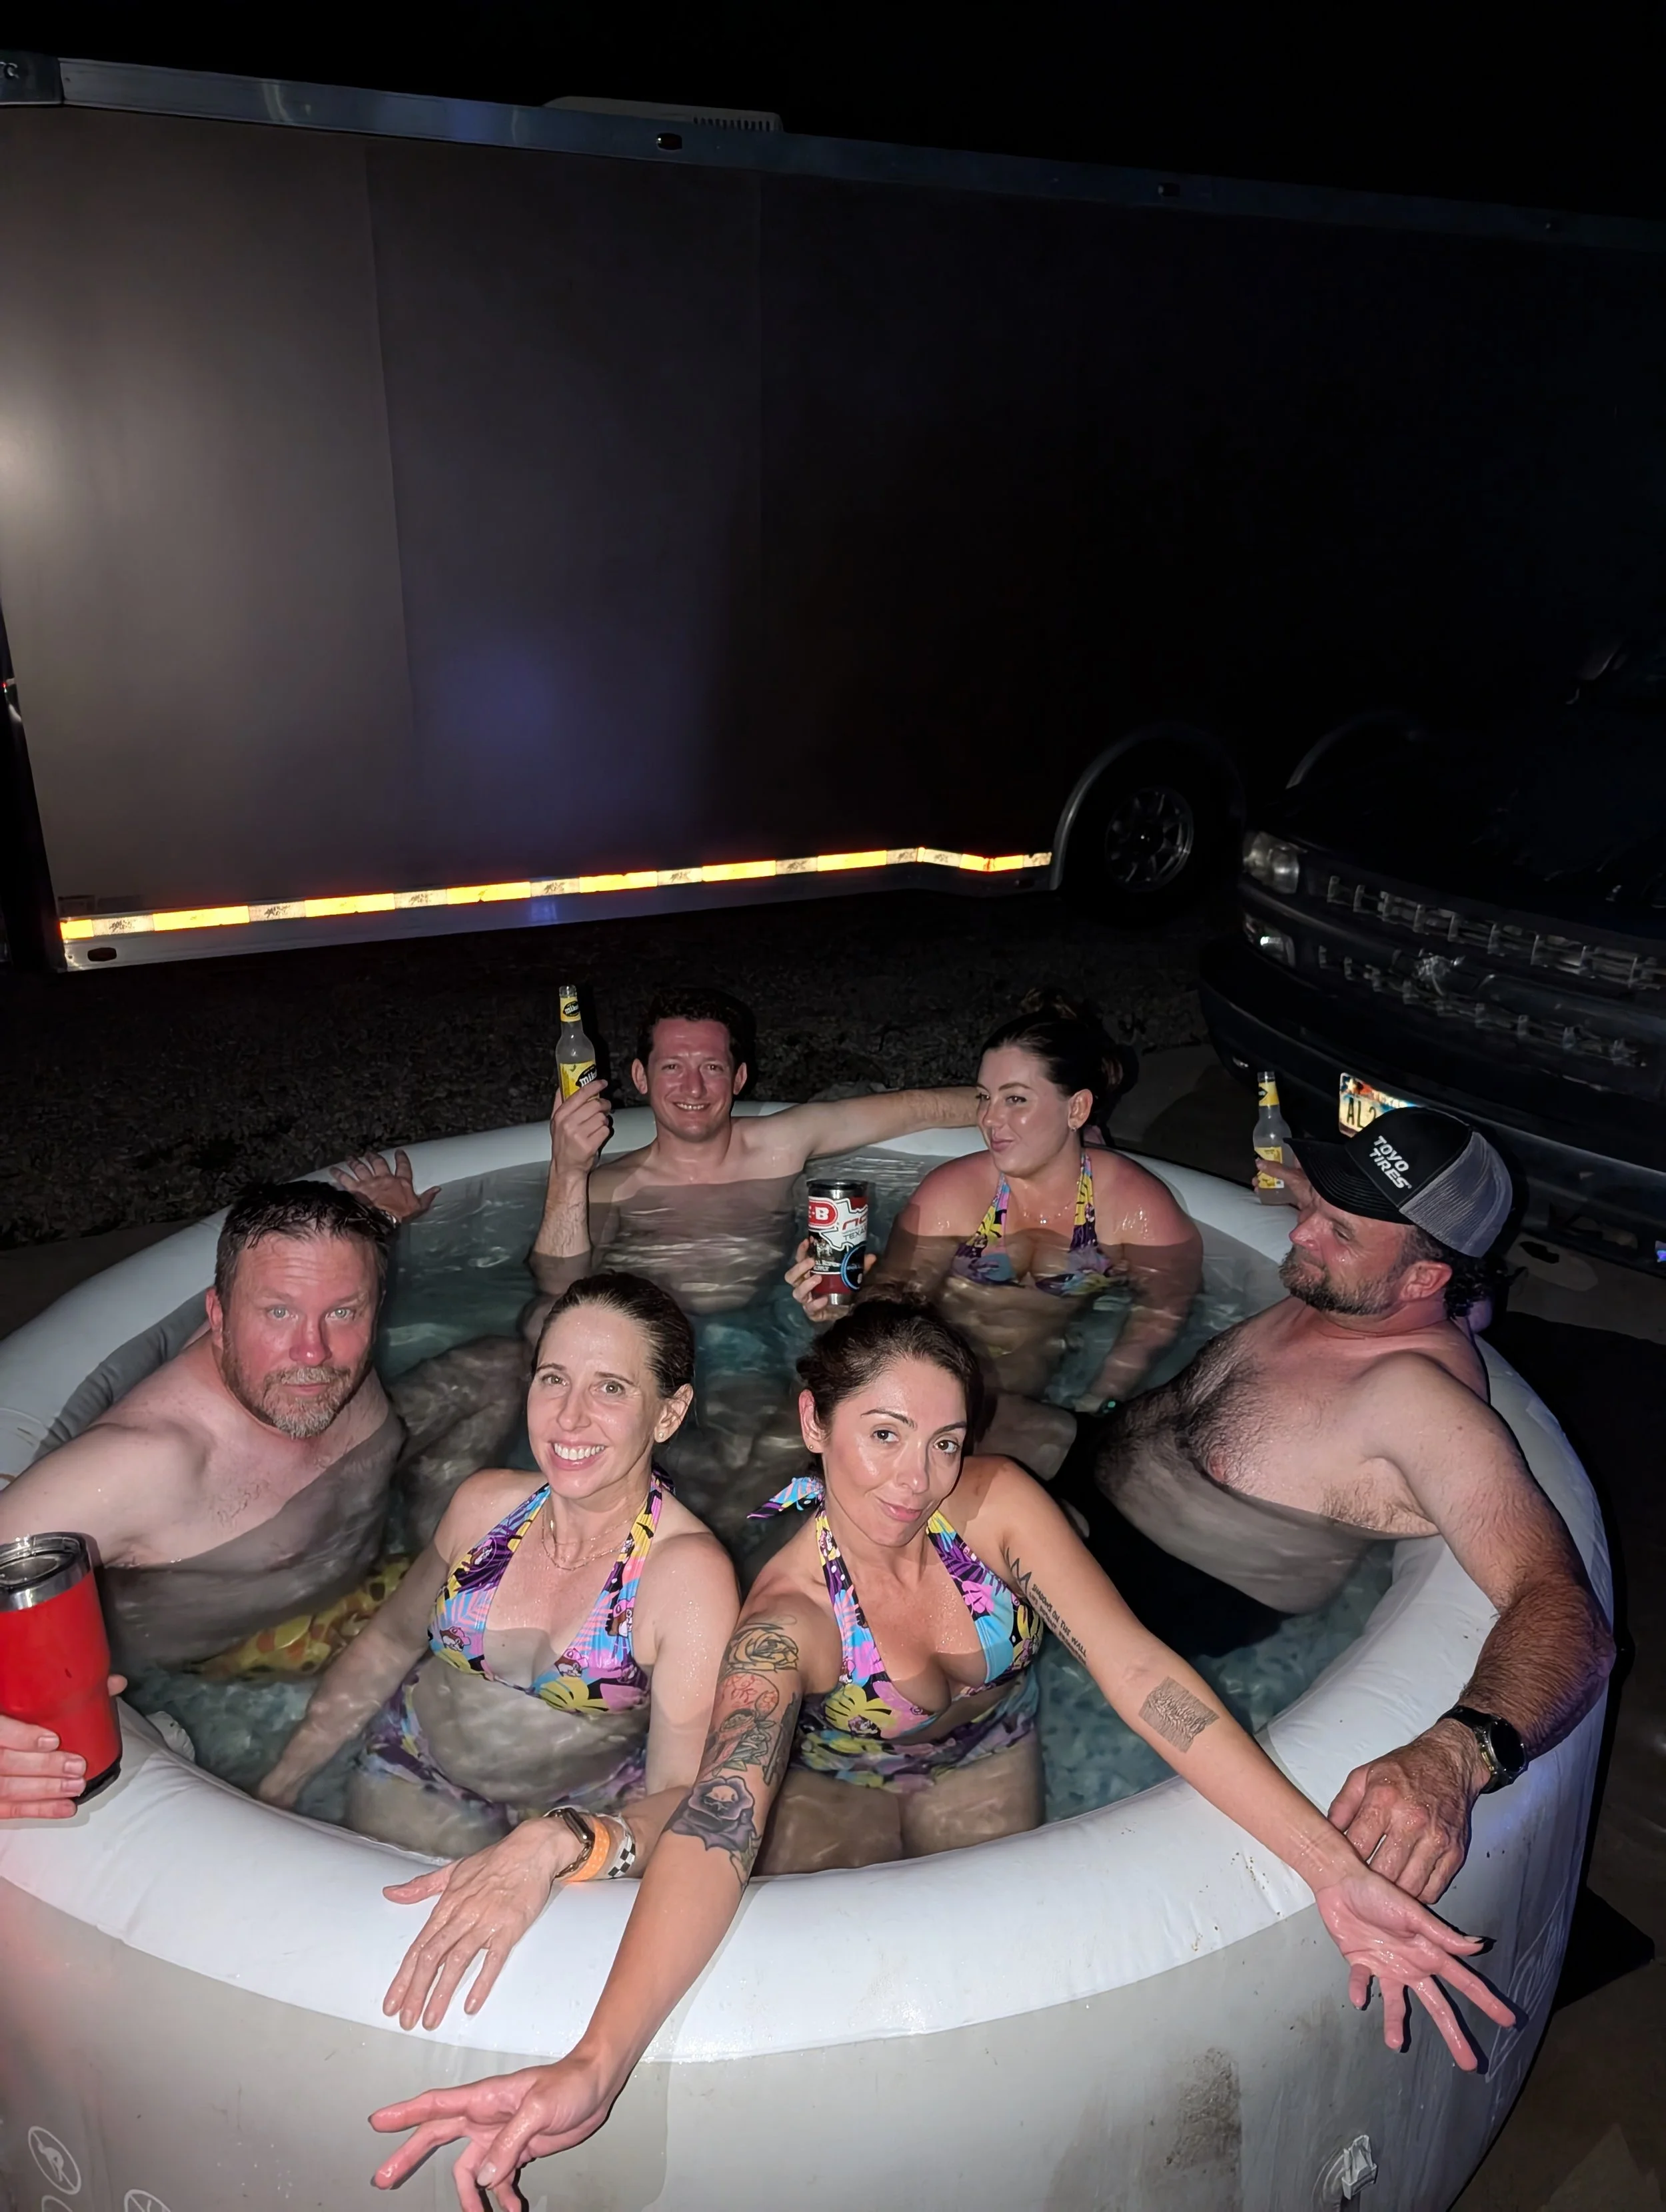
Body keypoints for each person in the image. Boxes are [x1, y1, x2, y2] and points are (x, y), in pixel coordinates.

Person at [367, 1298, 1515, 2203]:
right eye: (881, 1436)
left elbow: (1144, 1678)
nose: (914, 1482)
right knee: (842, 2006)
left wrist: (1336, 1870)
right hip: (838, 1790)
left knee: (989, 1986)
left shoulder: (997, 1507)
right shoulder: (785, 1622)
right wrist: (596, 2059)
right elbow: (720, 1816)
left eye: (943, 1441)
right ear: (814, 1425)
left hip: (988, 1758)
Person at [1094, 1105, 1615, 1902]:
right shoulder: (1347, 1296)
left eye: (1338, 1228)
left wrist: (1456, 1755)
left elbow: (1566, 1612)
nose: (1301, 1234)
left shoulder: (1416, 1403)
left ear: (1421, 1281)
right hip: (1083, 1495)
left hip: (1150, 1611)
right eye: (1316, 1208)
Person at [260, 1275, 738, 2025]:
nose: (570, 1415)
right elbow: (390, 1639)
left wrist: (566, 1838)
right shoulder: (486, 1505)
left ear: (668, 1412)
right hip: (424, 1770)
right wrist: (282, 1784)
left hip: (588, 1806)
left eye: (611, 1386)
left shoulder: (685, 1578)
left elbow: (686, 1793)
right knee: (385, 1973)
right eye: (553, 1378)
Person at [0, 1183, 404, 1821]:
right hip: (242, 1660)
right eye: (277, 1312)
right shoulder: (146, 1462)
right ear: (217, 1316)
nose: (312, 1352)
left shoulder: (325, 1367)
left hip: (373, 1573)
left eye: (344, 1312)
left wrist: (386, 1216)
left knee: (494, 1371)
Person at [788, 992, 1202, 1480]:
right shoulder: (954, 1194)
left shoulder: (1133, 1209)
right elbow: (894, 1301)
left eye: (1016, 1099)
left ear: (1077, 1109)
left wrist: (1099, 1403)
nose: (989, 1119)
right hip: (931, 1385)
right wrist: (838, 1313)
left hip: (1031, 1404)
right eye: (984, 1098)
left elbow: (1160, 1317)